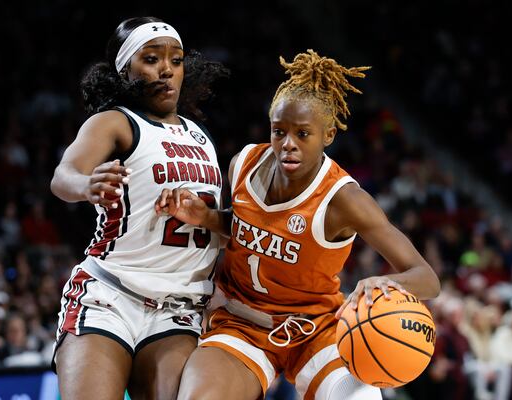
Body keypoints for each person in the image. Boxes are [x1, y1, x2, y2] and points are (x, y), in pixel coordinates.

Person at [156, 49, 441, 400]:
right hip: (239, 322)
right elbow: (248, 229)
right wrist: (207, 217)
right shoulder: (243, 163)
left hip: (314, 329)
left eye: (303, 134)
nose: (288, 145)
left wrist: (387, 281)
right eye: (280, 132)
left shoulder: (344, 200)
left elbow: (427, 279)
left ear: (329, 135)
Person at [50, 16, 228, 399]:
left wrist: (206, 216)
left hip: (178, 306)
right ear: (125, 70)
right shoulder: (116, 122)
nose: (166, 69)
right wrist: (86, 185)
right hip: (109, 294)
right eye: (151, 59)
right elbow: (63, 176)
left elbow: (225, 225)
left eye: (176, 60)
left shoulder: (203, 138)